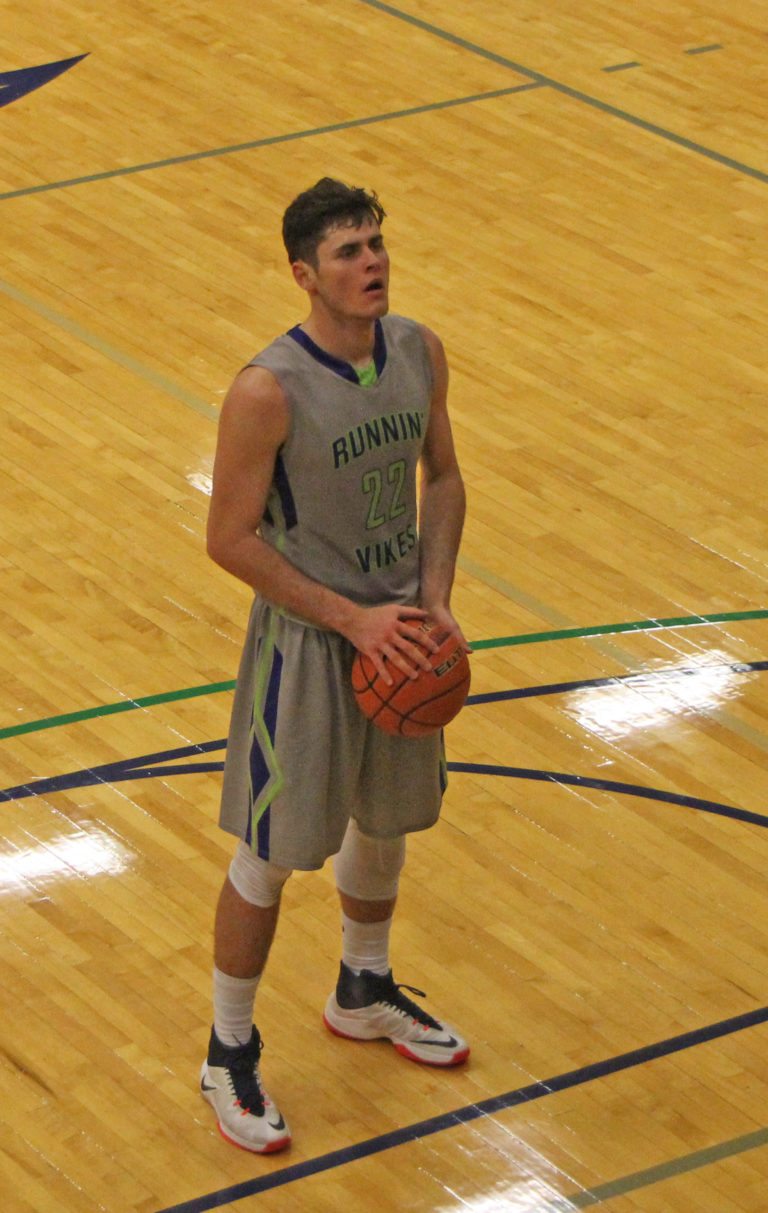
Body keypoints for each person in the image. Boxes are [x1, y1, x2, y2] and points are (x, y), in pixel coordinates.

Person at [201, 177, 469, 1153]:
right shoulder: (267, 389)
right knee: (271, 855)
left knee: (388, 820)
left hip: (403, 626)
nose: (374, 263)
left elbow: (444, 477)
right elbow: (228, 539)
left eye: (378, 244)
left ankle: (363, 986)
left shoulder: (419, 351)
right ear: (304, 274)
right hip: (309, 643)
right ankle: (228, 1049)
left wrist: (434, 596)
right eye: (352, 251)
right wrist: (349, 620)